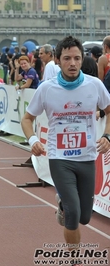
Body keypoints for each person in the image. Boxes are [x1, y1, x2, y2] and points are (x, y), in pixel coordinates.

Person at [21, 36, 110, 266]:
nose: (73, 63)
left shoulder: (95, 85)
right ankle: (74, 260)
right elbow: (27, 118)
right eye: (67, 58)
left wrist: (107, 135)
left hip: (87, 157)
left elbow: (109, 111)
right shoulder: (47, 89)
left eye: (77, 58)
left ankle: (62, 203)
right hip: (59, 158)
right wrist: (32, 140)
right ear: (58, 61)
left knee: (85, 217)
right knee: (72, 216)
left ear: (82, 60)